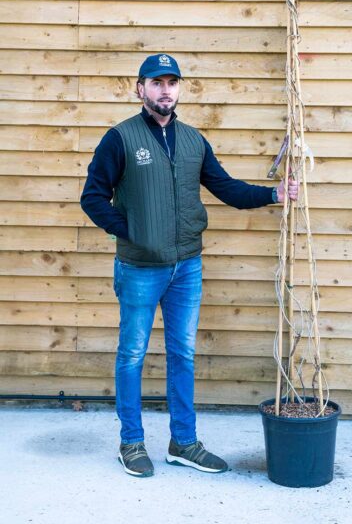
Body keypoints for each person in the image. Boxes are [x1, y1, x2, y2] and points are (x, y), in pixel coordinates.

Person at [80, 53, 298, 478]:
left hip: (187, 268)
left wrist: (273, 196)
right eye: (156, 82)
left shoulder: (194, 140)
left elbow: (226, 188)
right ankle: (131, 443)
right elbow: (92, 197)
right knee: (132, 355)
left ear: (179, 90)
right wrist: (131, 231)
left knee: (183, 354)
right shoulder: (119, 139)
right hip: (141, 268)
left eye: (172, 82)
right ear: (139, 88)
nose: (165, 90)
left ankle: (184, 442)